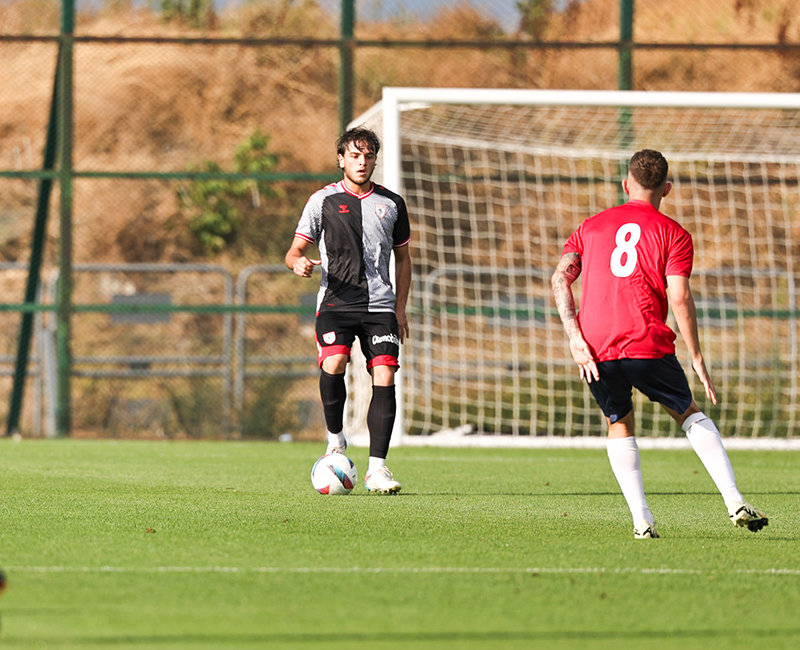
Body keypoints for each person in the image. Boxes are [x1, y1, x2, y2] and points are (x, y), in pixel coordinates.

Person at [551, 149, 768, 539]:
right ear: (667, 189)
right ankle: (734, 500)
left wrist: (574, 338)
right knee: (688, 413)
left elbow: (559, 278)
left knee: (618, 422)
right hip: (646, 342)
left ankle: (642, 522)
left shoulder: (590, 226)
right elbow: (680, 298)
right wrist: (697, 355)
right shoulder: (674, 234)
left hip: (596, 348)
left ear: (625, 184)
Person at [285, 126, 411, 494]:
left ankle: (378, 470)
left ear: (375, 160)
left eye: (368, 155)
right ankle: (336, 441)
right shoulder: (321, 201)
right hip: (336, 303)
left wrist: (400, 308)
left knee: (385, 374)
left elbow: (403, 260)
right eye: (355, 155)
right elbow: (293, 250)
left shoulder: (392, 204)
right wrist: (297, 263)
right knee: (334, 364)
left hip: (380, 306)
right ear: (341, 159)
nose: (362, 162)